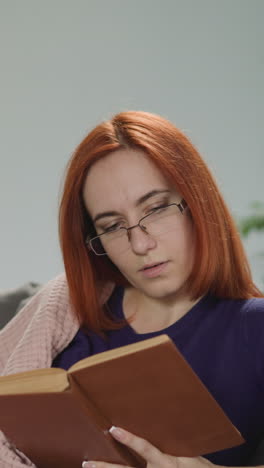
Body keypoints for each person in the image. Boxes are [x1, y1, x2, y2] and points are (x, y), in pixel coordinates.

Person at [0, 111, 263, 468]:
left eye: (156, 209)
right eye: (111, 226)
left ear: (197, 202)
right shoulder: (67, 314)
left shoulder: (254, 329)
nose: (139, 244)